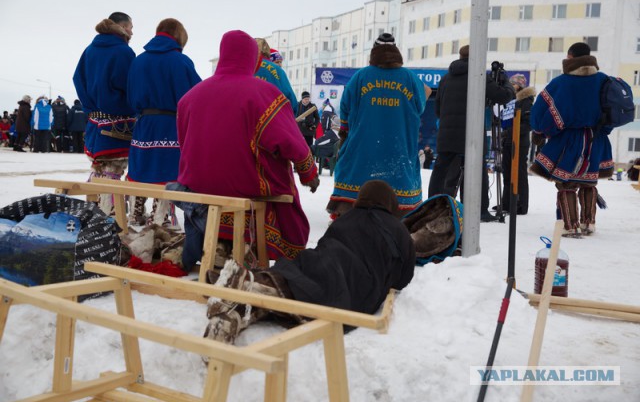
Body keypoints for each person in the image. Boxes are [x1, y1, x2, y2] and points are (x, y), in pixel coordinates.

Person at [172, 30, 319, 273]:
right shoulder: (266, 95)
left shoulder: (189, 97)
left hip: (200, 189)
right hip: (248, 188)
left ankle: (220, 246)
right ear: (254, 59)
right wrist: (308, 173)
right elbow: (293, 144)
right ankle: (249, 250)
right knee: (280, 183)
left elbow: (184, 144)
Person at [204, 179, 416, 345]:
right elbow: (403, 279)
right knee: (320, 290)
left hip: (323, 259)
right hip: (356, 280)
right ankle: (248, 290)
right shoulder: (398, 230)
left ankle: (249, 288)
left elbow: (328, 242)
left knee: (297, 274)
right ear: (389, 204)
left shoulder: (346, 218)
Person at [326, 33, 429, 219]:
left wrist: (345, 133)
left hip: (362, 154)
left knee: (353, 188)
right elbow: (421, 104)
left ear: (374, 51)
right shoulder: (411, 79)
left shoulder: (360, 78)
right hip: (399, 155)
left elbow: (345, 113)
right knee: (400, 203)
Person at [530, 42, 614, 237]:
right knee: (589, 182)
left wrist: (541, 131)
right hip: (596, 139)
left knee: (566, 183)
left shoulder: (562, 82)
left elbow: (541, 112)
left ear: (570, 58)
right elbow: (612, 111)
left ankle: (569, 225)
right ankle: (589, 223)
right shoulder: (604, 80)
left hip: (570, 141)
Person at [126, 18, 202, 227]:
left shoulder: (138, 60)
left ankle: (135, 212)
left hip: (144, 123)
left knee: (141, 168)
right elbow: (195, 95)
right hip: (170, 123)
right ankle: (160, 215)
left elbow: (130, 95)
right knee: (166, 169)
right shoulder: (181, 61)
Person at [427, 45, 515, 222]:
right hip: (472, 133)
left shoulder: (445, 79)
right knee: (476, 172)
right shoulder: (479, 77)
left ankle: (432, 206)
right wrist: (505, 81)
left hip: (447, 133)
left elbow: (438, 109)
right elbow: (505, 96)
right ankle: (479, 210)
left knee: (441, 170)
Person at [73, 12, 136, 215]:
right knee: (113, 172)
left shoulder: (89, 50)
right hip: (118, 124)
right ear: (123, 27)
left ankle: (93, 214)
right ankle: (109, 220)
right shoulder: (123, 52)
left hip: (94, 123)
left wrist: (90, 106)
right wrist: (129, 106)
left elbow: (77, 79)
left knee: (98, 170)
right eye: (131, 27)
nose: (132, 32)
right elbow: (132, 85)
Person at [499, 74, 536, 215]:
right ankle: (507, 203)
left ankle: (521, 204)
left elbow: (528, 124)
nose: (511, 86)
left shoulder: (526, 101)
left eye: (513, 84)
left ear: (519, 85)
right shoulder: (511, 100)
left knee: (519, 173)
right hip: (508, 141)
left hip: (520, 142)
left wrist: (511, 131)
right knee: (507, 172)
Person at [254, 38, 297, 114]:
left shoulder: (245, 68)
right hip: (272, 119)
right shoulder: (279, 71)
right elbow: (291, 100)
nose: (280, 64)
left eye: (281, 62)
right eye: (278, 62)